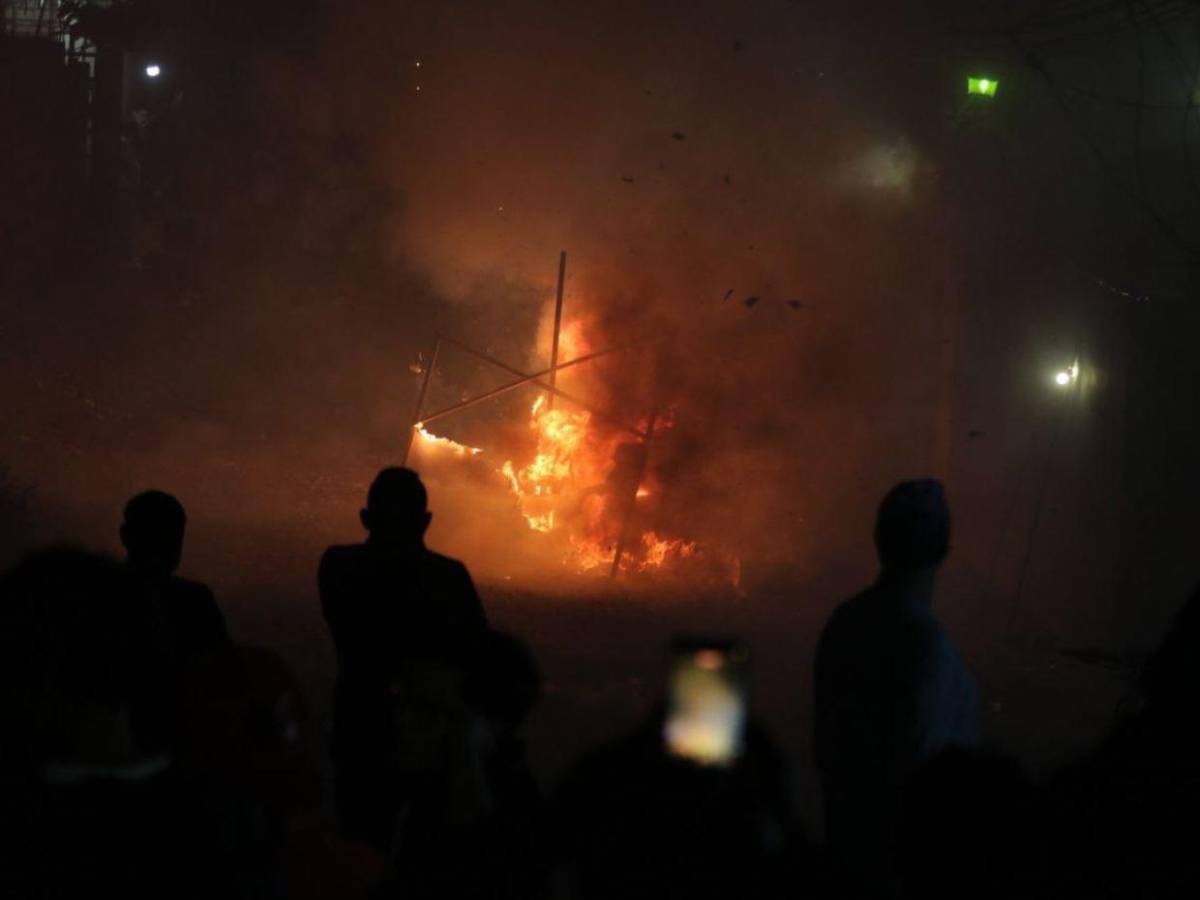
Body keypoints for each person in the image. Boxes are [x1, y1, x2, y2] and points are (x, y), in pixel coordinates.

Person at [813, 479, 979, 898]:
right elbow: (924, 762)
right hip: (903, 868)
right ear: (944, 550)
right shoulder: (926, 645)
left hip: (845, 849)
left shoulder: (845, 621)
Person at [320, 467, 488, 851]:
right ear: (426, 521)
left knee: (360, 845)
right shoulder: (447, 577)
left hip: (359, 727)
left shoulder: (338, 566)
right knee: (423, 854)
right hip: (427, 740)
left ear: (365, 518)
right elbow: (477, 651)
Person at [121, 489, 231, 657]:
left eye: (169, 538)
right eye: (154, 537)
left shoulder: (99, 594)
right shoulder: (195, 601)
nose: (162, 547)